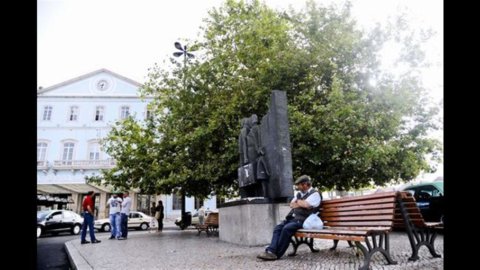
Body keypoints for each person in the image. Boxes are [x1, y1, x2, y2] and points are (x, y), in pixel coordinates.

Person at [257, 175, 321, 260]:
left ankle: (277, 254)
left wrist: (299, 203)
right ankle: (271, 251)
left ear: (305, 184)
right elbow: (291, 204)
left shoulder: (315, 194)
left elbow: (306, 205)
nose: (297, 187)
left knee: (286, 229)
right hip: (293, 219)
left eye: (299, 185)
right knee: (278, 228)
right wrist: (302, 204)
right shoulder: (299, 194)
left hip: (305, 220)